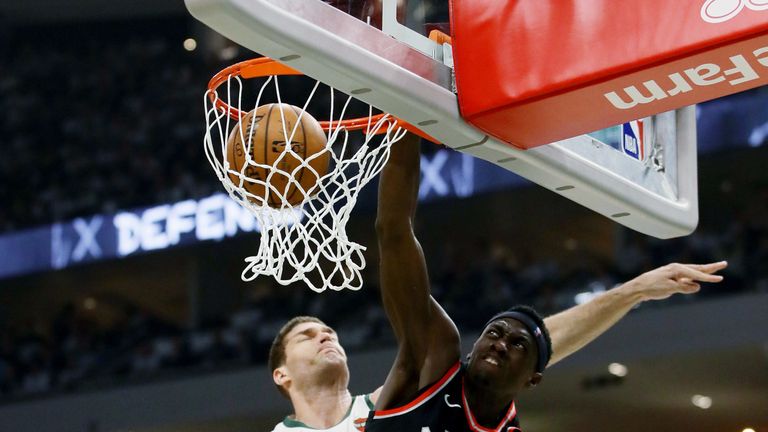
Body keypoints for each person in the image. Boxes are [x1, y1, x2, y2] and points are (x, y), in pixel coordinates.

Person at [267, 135, 727, 432]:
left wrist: (634, 290)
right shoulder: (418, 378)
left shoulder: (405, 390)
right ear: (280, 374)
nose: (502, 344)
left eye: (325, 329)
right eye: (307, 336)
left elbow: (545, 342)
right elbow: (393, 232)